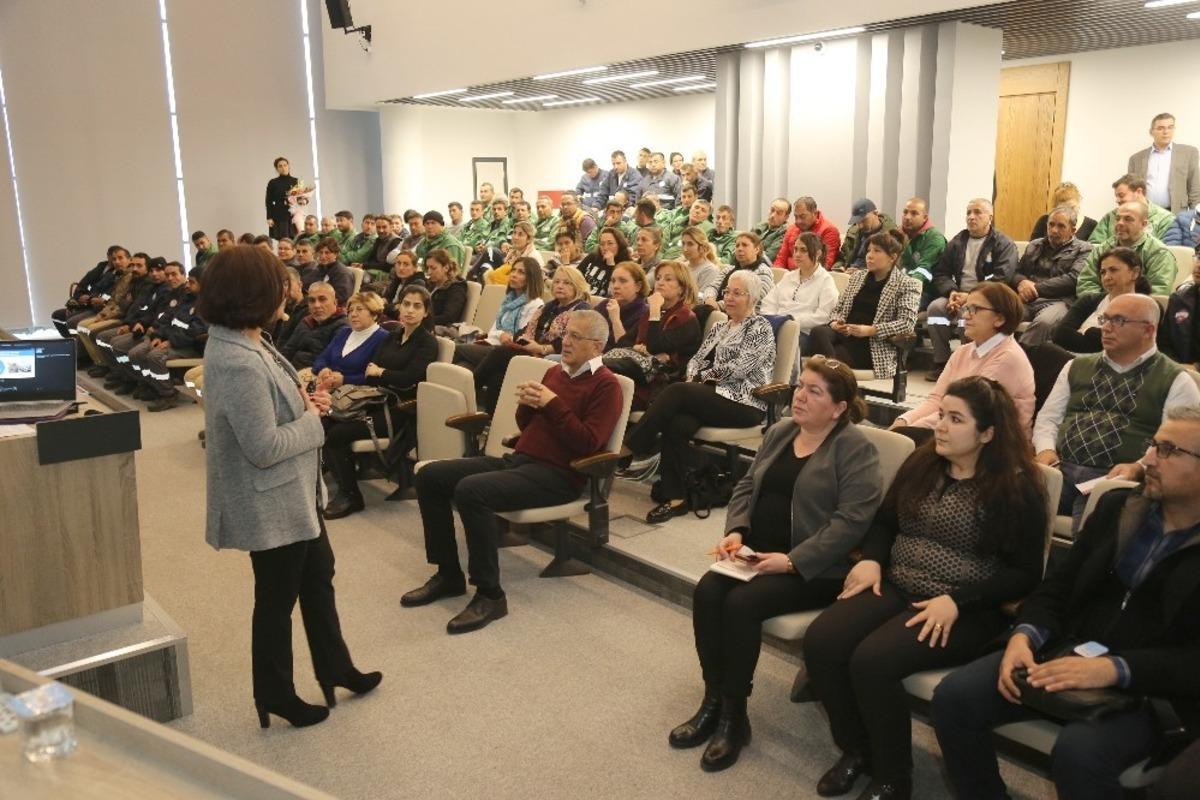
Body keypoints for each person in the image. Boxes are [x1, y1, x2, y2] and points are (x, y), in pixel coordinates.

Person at [931, 406, 1200, 800]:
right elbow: (1057, 587)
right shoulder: (1119, 508)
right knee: (956, 697)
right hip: (1068, 650)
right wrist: (1023, 637)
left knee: (1080, 754)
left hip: (1154, 689)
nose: (1150, 460)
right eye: (1153, 445)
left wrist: (1115, 669)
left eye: (1169, 450)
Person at [805, 376, 1048, 800]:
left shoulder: (1017, 486)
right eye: (942, 414)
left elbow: (1025, 573)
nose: (940, 425)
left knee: (872, 662)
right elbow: (884, 521)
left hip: (966, 606)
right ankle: (858, 750)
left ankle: (893, 777)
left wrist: (957, 601)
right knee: (822, 641)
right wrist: (874, 561)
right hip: (900, 583)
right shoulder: (924, 461)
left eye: (956, 419)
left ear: (988, 433)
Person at [198, 245, 381, 730]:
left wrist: (305, 401)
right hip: (269, 498)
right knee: (277, 599)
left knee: (319, 575)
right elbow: (262, 445)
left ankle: (335, 667)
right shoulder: (235, 357)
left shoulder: (251, 338)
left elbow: (279, 406)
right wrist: (314, 421)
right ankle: (275, 693)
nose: (292, 290)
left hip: (292, 493)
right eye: (282, 283)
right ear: (254, 292)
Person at [672, 359, 883, 772]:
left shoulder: (857, 448)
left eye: (814, 391)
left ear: (840, 407)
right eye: (800, 386)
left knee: (741, 605)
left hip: (819, 567)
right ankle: (713, 699)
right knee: (707, 592)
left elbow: (852, 522)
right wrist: (737, 530)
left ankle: (735, 715)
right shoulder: (782, 431)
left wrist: (792, 561)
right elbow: (747, 485)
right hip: (758, 552)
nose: (800, 396)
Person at [403, 309, 624, 633]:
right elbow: (527, 427)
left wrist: (551, 404)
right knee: (429, 476)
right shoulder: (556, 373)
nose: (566, 341)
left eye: (576, 336)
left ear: (597, 346)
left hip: (559, 475)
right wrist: (528, 405)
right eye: (566, 334)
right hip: (522, 460)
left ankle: (490, 595)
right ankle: (448, 574)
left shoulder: (607, 386)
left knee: (470, 491)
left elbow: (588, 443)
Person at [1033, 293, 1200, 526]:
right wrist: (1045, 450)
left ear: (1148, 330)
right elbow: (1048, 418)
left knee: (1092, 533)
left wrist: (1137, 468)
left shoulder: (1176, 380)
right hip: (1060, 467)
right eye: (1105, 319)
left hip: (1115, 479)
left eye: (1119, 321)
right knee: (1010, 512)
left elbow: (1175, 447)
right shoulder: (1076, 366)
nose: (1106, 328)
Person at [625, 270, 775, 523]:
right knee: (677, 423)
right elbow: (695, 360)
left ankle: (630, 446)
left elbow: (740, 370)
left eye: (737, 293)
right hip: (713, 395)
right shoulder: (719, 326)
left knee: (677, 391)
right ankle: (677, 499)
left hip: (744, 401)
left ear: (752, 298)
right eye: (727, 291)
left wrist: (703, 377)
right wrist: (697, 374)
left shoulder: (760, 327)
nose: (728, 297)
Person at [323, 286, 439, 519]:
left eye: (417, 306)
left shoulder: (427, 343)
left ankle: (351, 495)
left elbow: (410, 379)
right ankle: (339, 482)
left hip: (399, 409)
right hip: (375, 398)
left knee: (337, 435)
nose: (410, 310)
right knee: (325, 420)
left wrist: (383, 372)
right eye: (406, 304)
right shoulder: (393, 335)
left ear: (426, 312)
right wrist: (381, 373)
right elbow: (369, 370)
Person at [892, 282, 1035, 439]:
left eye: (975, 309)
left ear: (999, 319)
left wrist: (908, 432)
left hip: (993, 444)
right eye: (966, 308)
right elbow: (937, 399)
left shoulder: (1007, 358)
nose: (965, 315)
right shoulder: (963, 351)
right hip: (957, 433)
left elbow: (964, 413)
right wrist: (904, 420)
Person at [472, 266, 592, 414]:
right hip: (530, 352)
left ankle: (470, 388)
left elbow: (574, 343)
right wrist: (523, 339)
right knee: (498, 377)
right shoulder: (550, 306)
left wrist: (541, 348)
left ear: (577, 286)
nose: (560, 286)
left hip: (553, 360)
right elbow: (525, 330)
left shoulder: (583, 310)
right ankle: (491, 421)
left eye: (567, 283)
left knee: (499, 353)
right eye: (557, 282)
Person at [925, 199, 1020, 380]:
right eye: (968, 212)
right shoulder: (958, 242)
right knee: (935, 308)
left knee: (966, 314)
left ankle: (969, 364)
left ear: (990, 218)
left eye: (977, 213)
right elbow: (941, 273)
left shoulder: (1003, 244)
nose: (971, 217)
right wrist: (951, 293)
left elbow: (1002, 278)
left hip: (986, 298)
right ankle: (941, 362)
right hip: (958, 294)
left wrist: (970, 297)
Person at [808, 230, 921, 379]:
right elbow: (838, 308)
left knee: (822, 359)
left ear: (892, 257)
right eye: (868, 250)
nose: (869, 255)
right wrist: (836, 323)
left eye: (877, 251)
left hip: (873, 344)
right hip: (846, 334)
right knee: (818, 332)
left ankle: (832, 377)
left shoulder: (906, 284)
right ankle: (834, 377)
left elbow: (907, 323)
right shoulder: (858, 277)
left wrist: (871, 330)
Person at [603, 261, 701, 411]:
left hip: (659, 385)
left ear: (681, 288)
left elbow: (655, 346)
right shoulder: (651, 313)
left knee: (605, 390)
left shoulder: (686, 318)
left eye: (668, 279)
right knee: (596, 382)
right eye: (659, 278)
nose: (660, 283)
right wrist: (638, 347)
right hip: (637, 375)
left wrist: (654, 310)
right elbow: (622, 343)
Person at [127, 266, 207, 412]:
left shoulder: (207, 305)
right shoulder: (186, 299)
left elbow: (195, 332)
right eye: (188, 281)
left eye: (192, 282)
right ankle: (152, 384)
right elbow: (169, 321)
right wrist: (158, 336)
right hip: (171, 341)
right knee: (136, 353)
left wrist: (170, 342)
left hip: (190, 347)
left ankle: (168, 394)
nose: (188, 285)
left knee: (155, 356)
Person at [1014, 205, 1093, 346]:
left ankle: (1021, 361)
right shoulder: (1034, 245)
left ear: (1073, 230)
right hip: (1027, 299)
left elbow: (1074, 279)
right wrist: (1021, 283)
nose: (1054, 230)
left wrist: (1036, 288)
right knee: (998, 314)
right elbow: (1017, 272)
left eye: (1061, 226)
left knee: (1044, 323)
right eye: (1051, 224)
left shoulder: (1084, 249)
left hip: (1059, 301)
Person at [1053, 246, 1151, 354]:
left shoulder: (1147, 308)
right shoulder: (1089, 300)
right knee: (1042, 349)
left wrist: (1091, 334)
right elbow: (1060, 334)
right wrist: (1094, 339)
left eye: (1113, 270)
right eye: (1103, 272)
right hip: (1071, 360)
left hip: (1112, 366)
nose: (1106, 277)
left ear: (1135, 273)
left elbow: (1126, 346)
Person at [454, 258, 544, 369]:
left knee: (456, 349)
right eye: (513, 270)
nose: (514, 275)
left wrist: (501, 335)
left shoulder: (535, 304)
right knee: (462, 367)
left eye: (521, 272)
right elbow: (493, 331)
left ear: (531, 278)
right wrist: (500, 334)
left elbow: (520, 338)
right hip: (491, 344)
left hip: (505, 352)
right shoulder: (509, 300)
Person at [761, 232, 839, 359]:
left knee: (774, 347)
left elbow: (824, 316)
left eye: (803, 250)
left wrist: (790, 321)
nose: (797, 254)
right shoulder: (788, 277)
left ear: (818, 253)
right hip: (776, 327)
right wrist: (774, 321)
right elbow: (768, 303)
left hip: (803, 334)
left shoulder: (825, 280)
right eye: (795, 249)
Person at [1077, 200, 1178, 297]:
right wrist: (1104, 304)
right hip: (1101, 306)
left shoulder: (1159, 253)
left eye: (1128, 219)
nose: (1120, 223)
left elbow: (1158, 291)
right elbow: (1086, 283)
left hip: (1138, 310)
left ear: (1144, 224)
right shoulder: (1102, 249)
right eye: (1117, 219)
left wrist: (1123, 305)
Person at [310, 291, 389, 397]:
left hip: (350, 397)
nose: (353, 314)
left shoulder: (383, 338)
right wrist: (323, 369)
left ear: (374, 314)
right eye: (351, 310)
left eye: (359, 309)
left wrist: (345, 380)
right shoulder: (344, 332)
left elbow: (377, 377)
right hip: (325, 388)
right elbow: (322, 358)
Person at [1127, 112, 1200, 212]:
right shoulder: (1136, 159)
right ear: (1151, 132)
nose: (1166, 132)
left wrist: (1195, 216)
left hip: (1176, 213)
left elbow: (1194, 188)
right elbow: (1131, 191)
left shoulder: (1188, 153)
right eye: (1160, 128)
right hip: (1146, 213)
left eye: (1170, 127)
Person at [1089, 174, 1178, 245]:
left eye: (1121, 195)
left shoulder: (1166, 219)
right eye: (1116, 196)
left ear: (1139, 192)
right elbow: (1094, 245)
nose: (1117, 200)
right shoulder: (1110, 216)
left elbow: (1165, 252)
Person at [280, 282, 348, 369]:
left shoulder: (343, 327)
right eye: (312, 301)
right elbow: (287, 352)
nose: (316, 305)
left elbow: (332, 363)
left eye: (322, 299)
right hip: (290, 372)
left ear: (335, 302)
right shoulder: (306, 322)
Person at [702, 232, 775, 310]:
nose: (739, 249)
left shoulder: (763, 271)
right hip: (718, 310)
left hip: (748, 316)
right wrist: (709, 298)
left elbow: (755, 298)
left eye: (744, 245)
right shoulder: (728, 270)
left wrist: (718, 305)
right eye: (737, 246)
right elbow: (712, 287)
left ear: (756, 249)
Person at [897, 197, 947, 299]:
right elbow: (901, 266)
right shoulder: (900, 234)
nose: (907, 217)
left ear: (924, 217)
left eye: (914, 213)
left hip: (927, 290)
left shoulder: (934, 238)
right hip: (905, 284)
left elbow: (924, 269)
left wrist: (902, 288)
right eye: (905, 212)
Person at [1158, 243, 1200, 365]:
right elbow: (1165, 343)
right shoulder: (1179, 299)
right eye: (1198, 257)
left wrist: (1196, 368)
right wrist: (1177, 368)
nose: (1198, 265)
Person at [776, 196, 842, 270]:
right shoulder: (792, 229)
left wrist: (791, 263)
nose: (798, 221)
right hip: (789, 277)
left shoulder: (829, 231)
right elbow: (781, 259)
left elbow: (824, 265)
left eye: (802, 217)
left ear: (815, 213)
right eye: (796, 217)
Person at [833, 199, 898, 272]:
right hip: (847, 274)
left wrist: (862, 273)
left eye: (864, 220)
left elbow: (891, 267)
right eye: (857, 221)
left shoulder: (891, 235)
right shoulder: (853, 232)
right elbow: (842, 258)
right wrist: (839, 267)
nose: (860, 226)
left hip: (870, 277)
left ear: (875, 213)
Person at [596, 262, 650, 350]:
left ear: (638, 286)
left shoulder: (644, 313)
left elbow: (625, 351)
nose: (616, 286)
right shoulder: (605, 304)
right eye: (613, 281)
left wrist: (615, 320)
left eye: (623, 281)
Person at [1029, 181, 1098, 242]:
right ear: (1055, 207)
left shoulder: (1092, 225)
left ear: (1078, 203)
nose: (1068, 212)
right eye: (1063, 209)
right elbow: (1033, 248)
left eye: (1072, 207)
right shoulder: (1044, 220)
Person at [577, 227, 632, 299]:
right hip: (582, 297)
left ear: (619, 245)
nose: (605, 248)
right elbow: (576, 274)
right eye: (602, 244)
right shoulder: (593, 256)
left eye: (610, 243)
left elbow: (612, 292)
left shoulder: (626, 265)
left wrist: (611, 265)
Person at [485, 221, 545, 286]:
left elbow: (530, 284)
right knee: (486, 271)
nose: (515, 237)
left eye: (520, 234)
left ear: (529, 239)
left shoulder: (533, 257)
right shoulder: (513, 253)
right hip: (506, 288)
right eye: (514, 233)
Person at [423, 248, 469, 331]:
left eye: (433, 268)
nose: (429, 272)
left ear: (446, 268)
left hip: (441, 328)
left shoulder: (456, 288)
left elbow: (448, 317)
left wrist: (421, 320)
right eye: (428, 268)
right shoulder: (431, 284)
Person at [307, 238, 356, 305]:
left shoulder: (343, 273)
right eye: (321, 252)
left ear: (336, 254)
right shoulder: (319, 269)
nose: (323, 256)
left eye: (327, 253)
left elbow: (342, 297)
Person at [679, 226, 722, 301]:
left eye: (690, 244)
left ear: (702, 247)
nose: (685, 249)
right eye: (683, 244)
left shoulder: (710, 270)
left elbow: (702, 299)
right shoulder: (682, 267)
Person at [265, 156, 298, 238]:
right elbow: (269, 201)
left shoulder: (295, 181)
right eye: (280, 166)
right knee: (283, 240)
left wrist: (303, 201)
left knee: (295, 240)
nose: (283, 168)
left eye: (285, 165)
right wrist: (269, 217)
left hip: (294, 215)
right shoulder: (273, 182)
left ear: (288, 166)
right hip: (279, 215)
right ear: (276, 169)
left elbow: (301, 198)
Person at [752, 198, 792, 262]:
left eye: (779, 213)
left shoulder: (785, 232)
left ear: (786, 217)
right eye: (772, 210)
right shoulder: (758, 226)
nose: (773, 215)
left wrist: (747, 253)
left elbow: (768, 257)